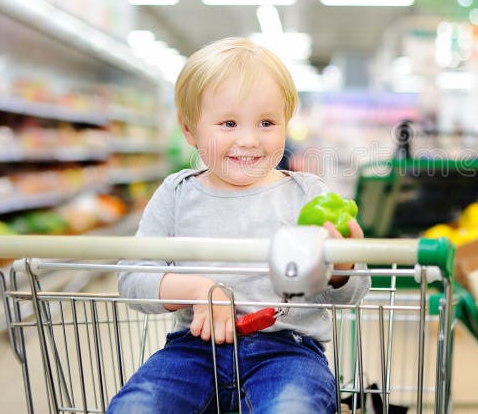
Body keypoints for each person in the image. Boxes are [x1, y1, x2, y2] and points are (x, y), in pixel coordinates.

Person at [108, 37, 370, 413]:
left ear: (286, 125)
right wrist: (197, 289)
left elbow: (349, 296)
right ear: (189, 130)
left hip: (288, 353)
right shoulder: (177, 194)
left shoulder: (308, 194)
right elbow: (132, 278)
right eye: (229, 123)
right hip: (193, 349)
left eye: (266, 122)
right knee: (137, 408)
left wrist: (343, 267)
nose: (248, 140)